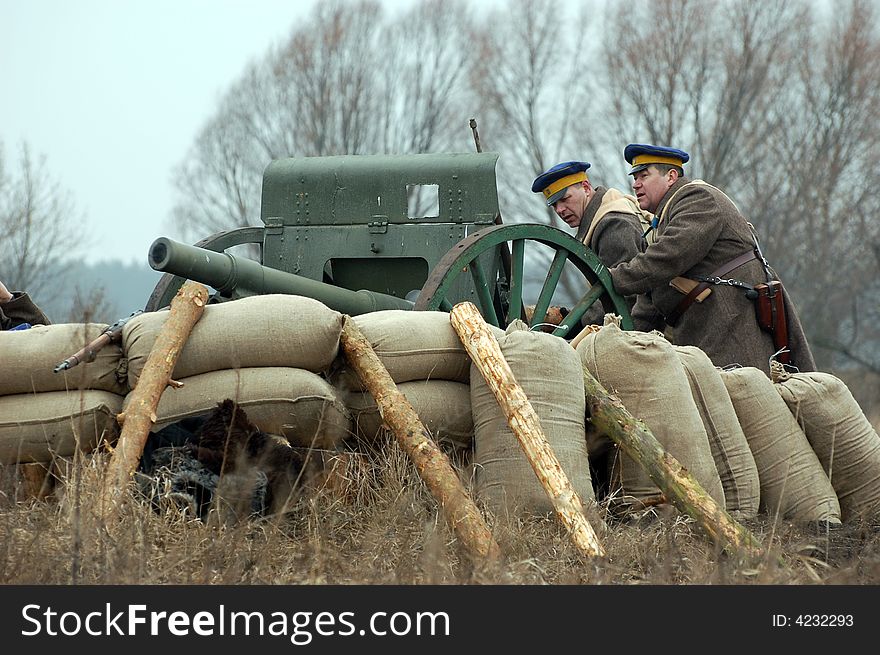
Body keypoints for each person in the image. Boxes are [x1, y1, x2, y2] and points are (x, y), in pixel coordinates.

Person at [608, 143, 815, 374]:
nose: (635, 184)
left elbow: (668, 257)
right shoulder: (664, 219)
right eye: (635, 177)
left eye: (644, 176)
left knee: (743, 394)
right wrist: (622, 340)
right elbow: (653, 297)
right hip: (711, 329)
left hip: (732, 324)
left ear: (671, 176)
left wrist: (611, 279)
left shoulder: (696, 199)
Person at [531, 160, 661, 329]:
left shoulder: (613, 225)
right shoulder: (601, 217)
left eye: (564, 199)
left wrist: (572, 324)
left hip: (647, 328)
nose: (560, 210)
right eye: (554, 204)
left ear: (586, 187)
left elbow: (622, 296)